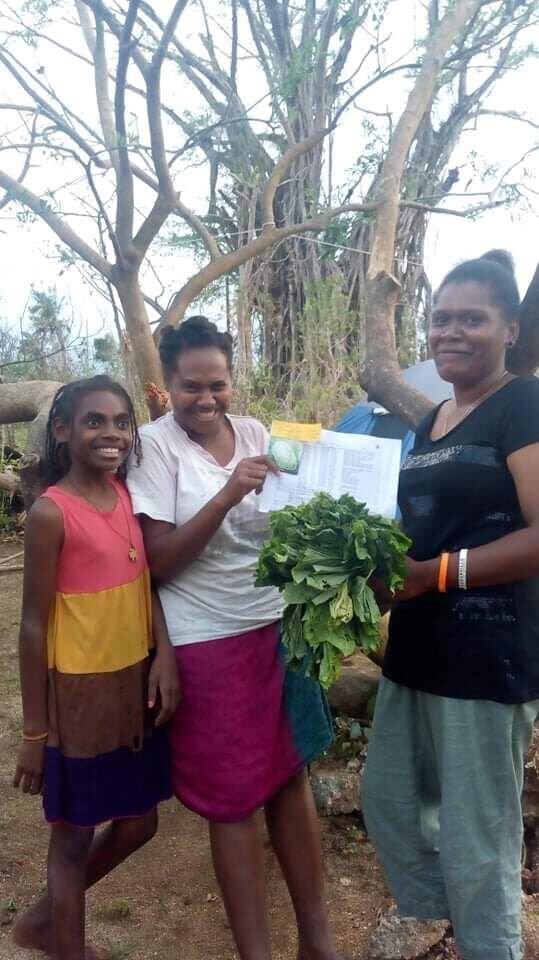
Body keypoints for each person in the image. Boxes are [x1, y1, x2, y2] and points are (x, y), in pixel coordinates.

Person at [127, 317, 339, 960]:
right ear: (166, 384)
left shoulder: (256, 433)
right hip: (206, 641)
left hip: (278, 628)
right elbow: (157, 562)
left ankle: (317, 942)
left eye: (217, 384)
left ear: (231, 379)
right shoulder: (152, 448)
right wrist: (225, 495)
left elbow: (296, 516)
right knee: (233, 801)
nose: (207, 398)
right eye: (191, 386)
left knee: (290, 778)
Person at [362, 250, 539, 960]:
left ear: (510, 328)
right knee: (392, 802)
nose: (451, 332)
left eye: (472, 318)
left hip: (486, 657)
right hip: (415, 652)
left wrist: (432, 573)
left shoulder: (520, 402)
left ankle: (487, 938)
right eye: (440, 319)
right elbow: (418, 527)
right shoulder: (434, 417)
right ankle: (466, 920)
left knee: (476, 833)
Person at [12, 375, 180, 960]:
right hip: (79, 696)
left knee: (140, 823)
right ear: (62, 431)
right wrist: (36, 733)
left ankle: (39, 924)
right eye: (93, 421)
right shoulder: (51, 515)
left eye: (119, 422)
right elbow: (32, 627)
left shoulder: (130, 495)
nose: (110, 433)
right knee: (73, 834)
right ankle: (69, 949)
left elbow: (147, 583)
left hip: (132, 688)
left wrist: (164, 656)